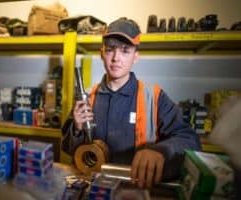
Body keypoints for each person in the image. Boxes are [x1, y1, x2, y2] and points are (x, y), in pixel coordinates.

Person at [62, 17, 201, 189]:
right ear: (101, 53)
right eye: (110, 50)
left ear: (136, 56)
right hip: (95, 188)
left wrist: (162, 151)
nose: (116, 58)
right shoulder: (87, 97)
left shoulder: (154, 97)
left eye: (125, 51)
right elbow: (69, 150)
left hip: (136, 189)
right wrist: (76, 128)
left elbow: (190, 139)